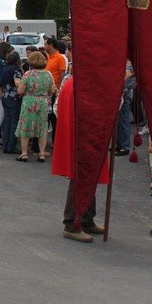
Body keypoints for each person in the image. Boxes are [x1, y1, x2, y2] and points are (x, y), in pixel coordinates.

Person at [51, 76, 107, 242]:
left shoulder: (75, 83)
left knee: (88, 179)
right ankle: (71, 224)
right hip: (83, 140)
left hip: (85, 138)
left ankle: (86, 220)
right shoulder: (80, 85)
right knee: (79, 179)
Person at [15, 51, 55, 162]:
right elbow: (52, 90)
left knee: (26, 126)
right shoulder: (48, 74)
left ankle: (24, 154)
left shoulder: (28, 74)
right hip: (43, 103)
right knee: (42, 128)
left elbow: (20, 90)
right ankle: (41, 154)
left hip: (29, 102)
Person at [0, 51, 23, 154]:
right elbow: (17, 83)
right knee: (14, 123)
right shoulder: (16, 69)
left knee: (6, 122)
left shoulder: (5, 68)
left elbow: (0, 83)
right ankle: (11, 146)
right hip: (14, 98)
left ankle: (5, 145)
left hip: (5, 96)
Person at [115, 59, 135, 156]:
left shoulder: (130, 66)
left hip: (125, 95)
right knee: (120, 121)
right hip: (123, 94)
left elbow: (125, 80)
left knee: (123, 121)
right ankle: (120, 144)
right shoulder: (126, 64)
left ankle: (125, 146)